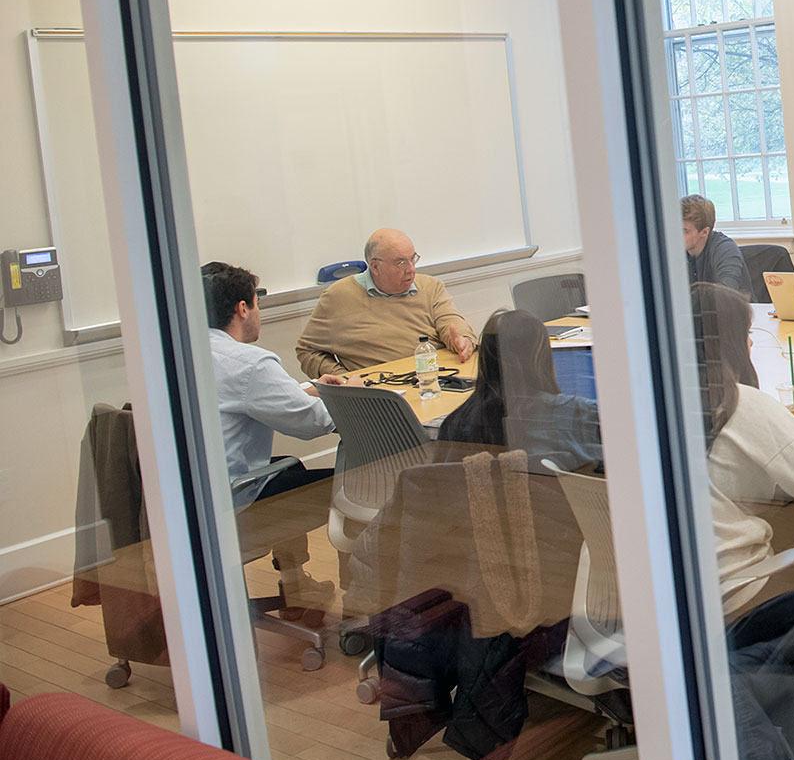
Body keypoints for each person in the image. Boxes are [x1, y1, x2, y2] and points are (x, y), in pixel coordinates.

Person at [202, 261, 341, 604]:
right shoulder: (249, 362)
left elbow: (249, 397)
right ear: (243, 308)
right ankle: (370, 596)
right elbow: (314, 423)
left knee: (289, 465)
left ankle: (295, 586)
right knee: (359, 482)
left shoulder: (185, 354)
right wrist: (354, 395)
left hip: (195, 500)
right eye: (257, 303)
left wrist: (310, 387)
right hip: (235, 509)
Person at [692, 282, 794, 505]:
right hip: (742, 537)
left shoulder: (675, 400)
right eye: (746, 332)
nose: (751, 341)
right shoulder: (740, 402)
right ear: (729, 342)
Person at [435, 308, 603, 470]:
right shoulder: (582, 416)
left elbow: (441, 486)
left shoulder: (454, 425)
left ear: (484, 360)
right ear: (542, 358)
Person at [296, 227, 477, 377]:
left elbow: (451, 322)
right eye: (400, 263)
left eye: (412, 259)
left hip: (438, 379)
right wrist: (345, 379)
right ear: (375, 267)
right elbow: (307, 350)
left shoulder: (430, 286)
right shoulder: (338, 297)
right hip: (382, 395)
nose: (411, 269)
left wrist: (463, 340)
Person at [683, 194, 752, 299]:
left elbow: (727, 293)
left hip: (736, 312)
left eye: (685, 231)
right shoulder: (675, 250)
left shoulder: (726, 249)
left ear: (705, 232)